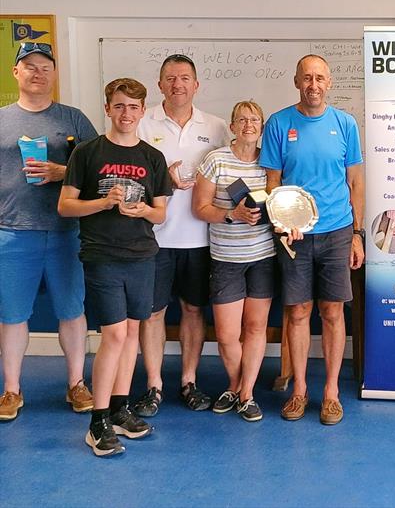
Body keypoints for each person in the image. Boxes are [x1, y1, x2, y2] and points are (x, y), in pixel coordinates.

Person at [58, 78, 171, 457]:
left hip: (142, 256)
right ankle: (97, 422)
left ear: (143, 111)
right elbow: (66, 206)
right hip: (102, 256)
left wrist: (142, 211)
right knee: (115, 337)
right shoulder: (88, 153)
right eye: (119, 106)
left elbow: (160, 213)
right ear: (108, 109)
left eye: (134, 107)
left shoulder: (152, 158)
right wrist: (102, 203)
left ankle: (121, 408)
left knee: (134, 332)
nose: (126, 114)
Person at [261, 54, 364, 426]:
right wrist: (283, 220)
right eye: (307, 78)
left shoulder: (346, 124)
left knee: (333, 312)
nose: (313, 85)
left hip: (337, 231)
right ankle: (300, 390)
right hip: (295, 236)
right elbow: (272, 182)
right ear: (296, 81)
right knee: (298, 312)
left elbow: (355, 184)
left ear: (329, 82)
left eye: (320, 78)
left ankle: (331, 392)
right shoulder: (278, 123)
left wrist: (356, 234)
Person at [0, 42, 96, 421]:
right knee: (12, 315)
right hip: (11, 231)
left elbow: (98, 170)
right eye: (30, 66)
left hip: (65, 231)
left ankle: (76, 383)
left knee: (72, 311)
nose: (38, 73)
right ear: (16, 73)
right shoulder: (3, 119)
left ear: (55, 74)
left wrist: (62, 172)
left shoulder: (73, 120)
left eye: (45, 67)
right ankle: (11, 389)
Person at [134, 54, 230, 416]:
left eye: (185, 78)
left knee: (193, 309)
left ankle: (189, 380)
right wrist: (162, 180)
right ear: (160, 85)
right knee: (153, 313)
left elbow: (229, 175)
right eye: (170, 78)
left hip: (202, 239)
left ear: (196, 84)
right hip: (152, 238)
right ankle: (154, 385)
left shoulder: (217, 127)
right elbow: (126, 177)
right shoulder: (142, 123)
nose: (178, 85)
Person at [192, 101, 275, 422]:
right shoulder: (216, 160)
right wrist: (232, 214)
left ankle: (246, 394)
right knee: (227, 334)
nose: (248, 125)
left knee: (255, 328)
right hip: (226, 258)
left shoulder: (270, 163)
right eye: (242, 119)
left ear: (262, 126)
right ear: (232, 125)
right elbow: (199, 208)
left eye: (254, 119)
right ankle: (235, 384)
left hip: (263, 259)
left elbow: (280, 203)